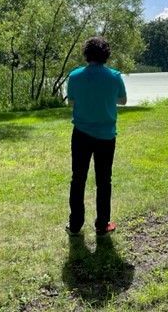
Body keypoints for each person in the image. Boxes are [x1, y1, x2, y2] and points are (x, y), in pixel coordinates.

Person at [65, 37, 127, 236]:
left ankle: (75, 225)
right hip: (106, 136)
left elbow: (71, 103)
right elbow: (123, 101)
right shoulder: (115, 76)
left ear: (86, 53)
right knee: (104, 180)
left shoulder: (74, 76)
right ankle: (102, 225)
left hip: (81, 134)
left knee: (78, 179)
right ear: (106, 54)